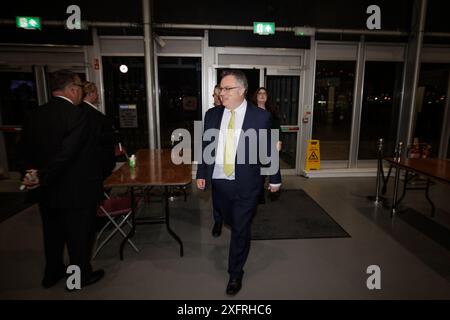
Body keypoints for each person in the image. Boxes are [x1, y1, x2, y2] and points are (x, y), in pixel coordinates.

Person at [19, 70, 113, 290]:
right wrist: (43, 175)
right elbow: (67, 154)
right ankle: (77, 279)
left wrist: (31, 174)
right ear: (72, 89)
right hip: (76, 191)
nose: (81, 91)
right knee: (78, 238)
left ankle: (52, 274)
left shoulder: (34, 114)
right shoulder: (77, 115)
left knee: (52, 235)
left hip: (46, 192)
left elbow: (22, 151)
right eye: (80, 87)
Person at [196, 70, 281, 295]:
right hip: (220, 182)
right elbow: (206, 146)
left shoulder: (260, 117)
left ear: (242, 91)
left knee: (241, 228)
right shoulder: (212, 115)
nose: (221, 93)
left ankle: (235, 273)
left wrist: (275, 177)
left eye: (227, 89)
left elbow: (268, 148)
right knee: (231, 221)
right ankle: (233, 233)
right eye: (221, 89)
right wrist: (202, 172)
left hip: (247, 183)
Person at [252, 87, 282, 203]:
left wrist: (279, 141)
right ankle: (258, 193)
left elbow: (277, 127)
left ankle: (260, 191)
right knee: (256, 172)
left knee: (264, 171)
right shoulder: (250, 110)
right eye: (259, 93)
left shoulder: (272, 110)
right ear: (256, 96)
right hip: (254, 144)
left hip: (269, 145)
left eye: (264, 93)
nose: (262, 95)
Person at [211, 84, 223, 237]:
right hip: (215, 162)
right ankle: (218, 221)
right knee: (216, 195)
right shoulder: (211, 114)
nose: (213, 97)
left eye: (215, 94)